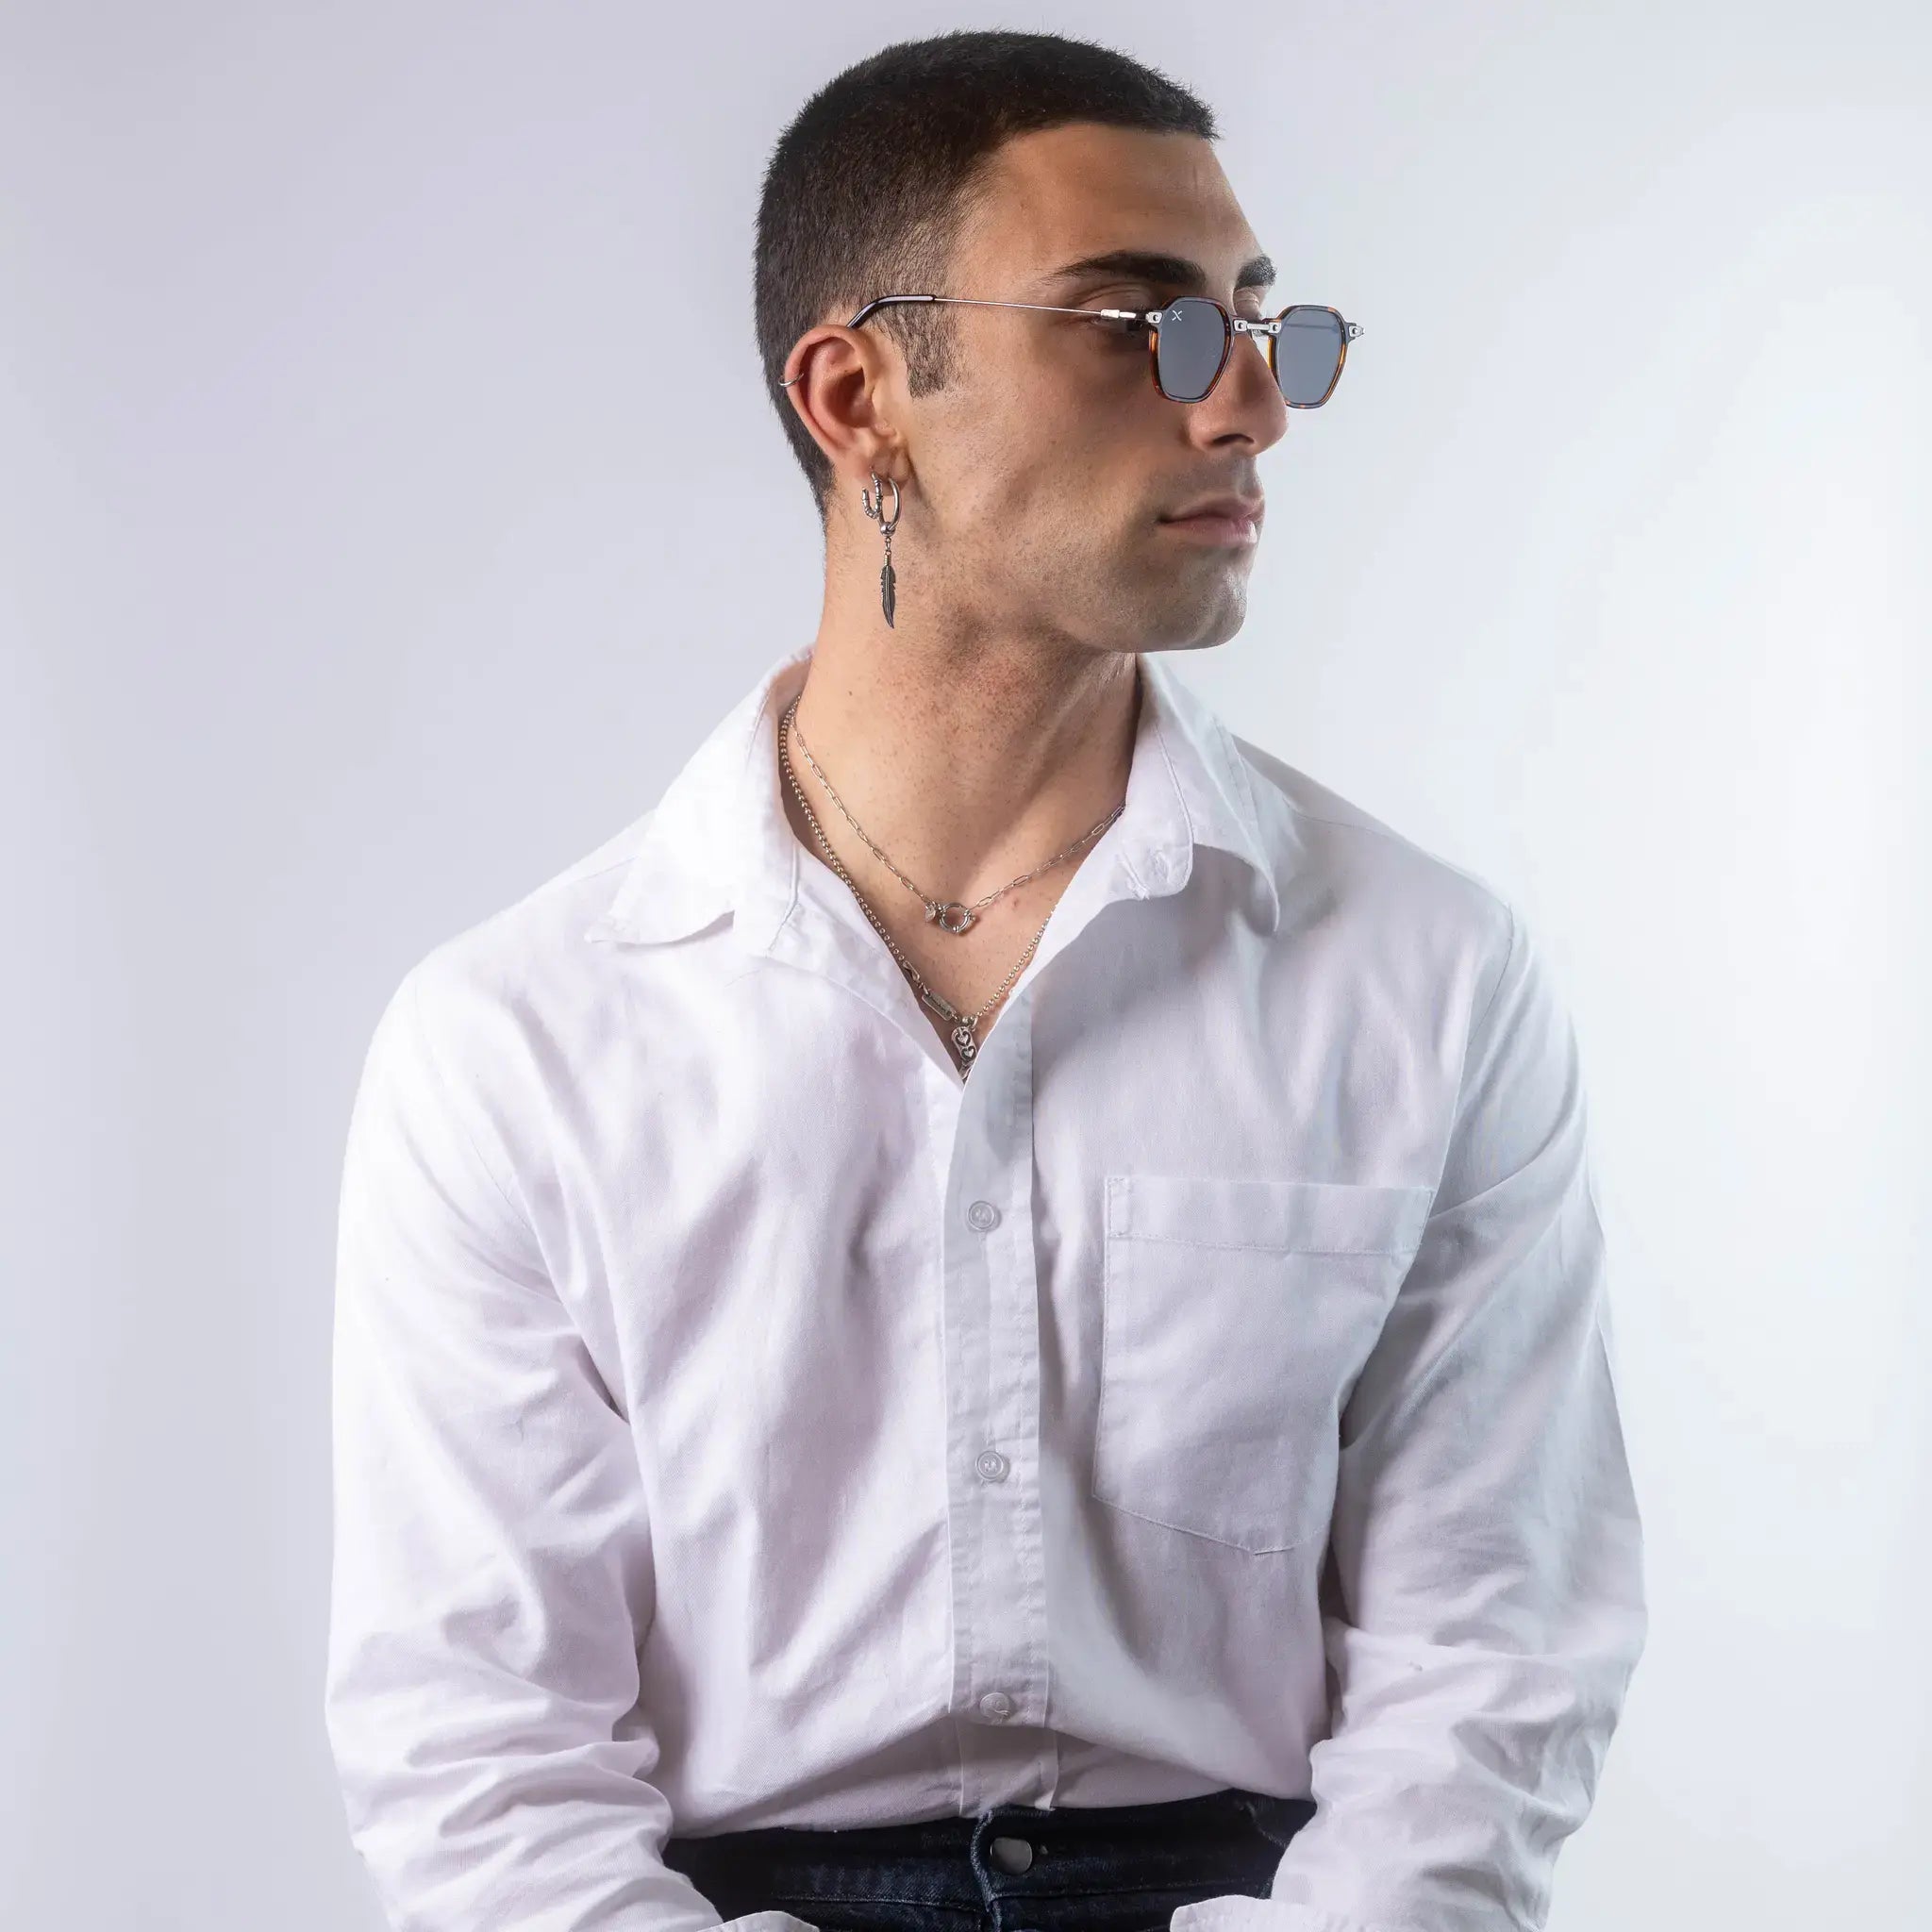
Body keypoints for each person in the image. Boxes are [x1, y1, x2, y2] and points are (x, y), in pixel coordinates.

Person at [324, 27, 1647, 1932]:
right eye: (1138, 323)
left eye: (1262, 322)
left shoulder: (1422, 973)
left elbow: (1491, 1659)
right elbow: (477, 1745)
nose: (1251, 406)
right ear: (859, 392)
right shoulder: (519, 1042)